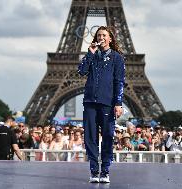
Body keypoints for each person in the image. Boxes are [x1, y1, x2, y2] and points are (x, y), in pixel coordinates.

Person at [78, 26, 125, 183]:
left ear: (110, 38)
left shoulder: (117, 58)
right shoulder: (92, 56)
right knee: (90, 137)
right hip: (90, 101)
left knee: (108, 137)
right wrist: (89, 54)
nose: (101, 37)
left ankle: (105, 170)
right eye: (99, 35)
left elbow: (119, 81)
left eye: (104, 35)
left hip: (107, 103)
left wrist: (118, 103)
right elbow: (82, 71)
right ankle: (93, 169)